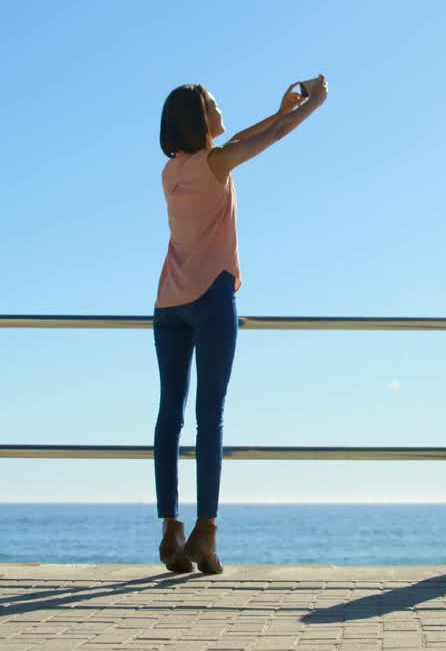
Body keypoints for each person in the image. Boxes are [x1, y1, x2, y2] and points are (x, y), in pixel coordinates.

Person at [153, 76, 328, 573]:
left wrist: (277, 109)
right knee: (210, 418)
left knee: (170, 417)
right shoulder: (216, 165)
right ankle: (205, 532)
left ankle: (171, 529)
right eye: (212, 103)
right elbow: (261, 144)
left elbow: (235, 145)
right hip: (210, 300)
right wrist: (314, 103)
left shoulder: (172, 172)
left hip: (169, 304)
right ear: (198, 118)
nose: (219, 105)